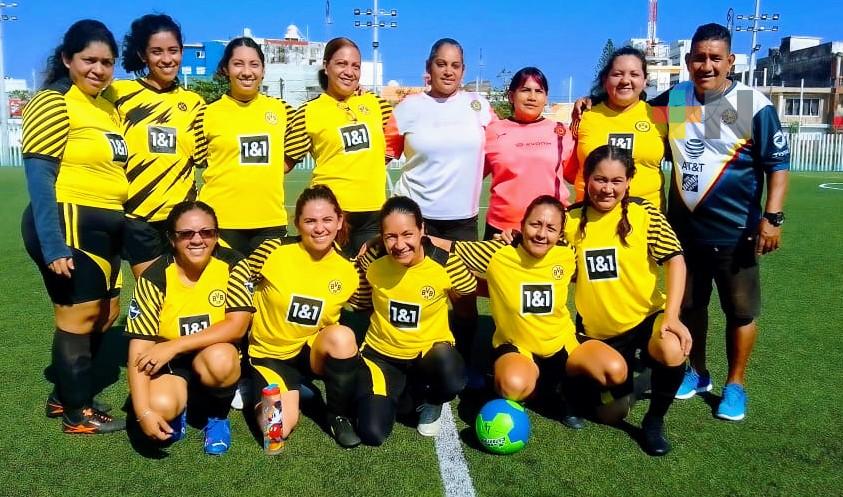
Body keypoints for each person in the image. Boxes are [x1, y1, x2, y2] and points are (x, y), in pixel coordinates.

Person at [648, 24, 790, 421]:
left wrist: (773, 218)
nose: (706, 65)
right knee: (690, 306)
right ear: (688, 60)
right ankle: (697, 373)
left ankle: (735, 385)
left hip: (736, 233)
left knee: (740, 312)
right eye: (698, 57)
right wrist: (587, 103)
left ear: (730, 61)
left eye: (715, 58)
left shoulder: (753, 104)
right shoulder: (675, 98)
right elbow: (631, 109)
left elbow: (777, 165)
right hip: (683, 234)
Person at [21, 19, 128, 434]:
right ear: (67, 59)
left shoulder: (105, 106)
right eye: (89, 60)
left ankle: (64, 392)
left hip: (106, 225)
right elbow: (40, 176)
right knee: (77, 316)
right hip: (69, 221)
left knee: (107, 311)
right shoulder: (53, 101)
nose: (98, 69)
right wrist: (54, 246)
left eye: (107, 62)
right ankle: (76, 412)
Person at [451, 196, 627, 429]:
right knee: (512, 384)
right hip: (519, 347)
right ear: (522, 225)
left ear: (560, 233)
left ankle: (559, 389)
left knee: (616, 371)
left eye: (551, 228)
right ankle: (548, 392)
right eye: (535, 224)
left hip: (563, 343)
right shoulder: (499, 252)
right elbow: (450, 250)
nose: (542, 234)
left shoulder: (568, 254)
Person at [565, 145, 691, 456]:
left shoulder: (644, 213)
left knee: (671, 347)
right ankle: (639, 382)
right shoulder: (569, 221)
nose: (607, 189)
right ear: (586, 179)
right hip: (599, 331)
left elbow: (675, 260)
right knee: (609, 414)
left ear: (629, 181)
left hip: (646, 318)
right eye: (599, 180)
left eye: (616, 181)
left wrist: (672, 316)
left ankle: (654, 420)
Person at [384, 38, 495, 370]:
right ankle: (403, 359)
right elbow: (381, 155)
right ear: (429, 68)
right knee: (410, 291)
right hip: (416, 222)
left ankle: (463, 364)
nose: (448, 70)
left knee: (463, 298)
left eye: (455, 65)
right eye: (441, 64)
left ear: (463, 70)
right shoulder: (407, 109)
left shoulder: (480, 106)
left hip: (461, 221)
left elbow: (506, 145)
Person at [126, 201, 254, 455]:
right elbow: (137, 353)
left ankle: (217, 417)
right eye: (187, 234)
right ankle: (180, 402)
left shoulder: (233, 264)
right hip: (172, 364)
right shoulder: (155, 276)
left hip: (210, 355)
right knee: (159, 406)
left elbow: (237, 326)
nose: (198, 240)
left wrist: (175, 345)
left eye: (207, 232)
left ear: (216, 236)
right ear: (172, 239)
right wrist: (144, 413)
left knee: (222, 359)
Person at [245, 185, 365, 449]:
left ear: (339, 221)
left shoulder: (348, 269)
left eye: (327, 220)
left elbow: (369, 302)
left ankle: (338, 416)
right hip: (272, 353)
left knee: (343, 337)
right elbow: (239, 285)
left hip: (310, 353)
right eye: (310, 220)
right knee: (276, 432)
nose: (319, 228)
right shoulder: (273, 252)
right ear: (297, 223)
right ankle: (262, 387)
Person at [355, 196, 476, 445]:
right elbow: (363, 304)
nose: (400, 244)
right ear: (381, 236)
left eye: (407, 234)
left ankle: (433, 401)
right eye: (390, 236)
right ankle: (407, 395)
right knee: (372, 432)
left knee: (452, 375)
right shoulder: (371, 260)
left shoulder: (446, 263)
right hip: (382, 355)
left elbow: (466, 298)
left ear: (422, 229)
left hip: (428, 355)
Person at [106, 14, 205, 279]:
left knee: (185, 291)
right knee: (153, 291)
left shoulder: (195, 103)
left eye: (173, 51)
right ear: (142, 55)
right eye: (157, 52)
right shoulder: (118, 94)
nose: (167, 59)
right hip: (139, 216)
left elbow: (205, 155)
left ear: (182, 52)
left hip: (183, 217)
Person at [285, 37, 393, 255]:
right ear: (326, 66)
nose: (349, 72)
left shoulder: (377, 105)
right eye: (341, 64)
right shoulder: (308, 112)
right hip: (330, 216)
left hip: (373, 214)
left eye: (356, 66)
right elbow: (283, 164)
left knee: (368, 284)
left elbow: (393, 145)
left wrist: (368, 168)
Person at [194, 37, 293, 256]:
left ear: (263, 70)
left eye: (254, 64)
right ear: (225, 69)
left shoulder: (283, 110)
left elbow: (300, 145)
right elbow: (197, 160)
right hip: (220, 222)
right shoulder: (206, 114)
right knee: (223, 290)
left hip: (270, 223)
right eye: (238, 64)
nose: (247, 72)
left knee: (268, 290)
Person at [567, 47, 668, 209]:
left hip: (647, 223)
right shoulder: (584, 114)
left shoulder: (663, 114)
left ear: (645, 80)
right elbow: (567, 169)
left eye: (634, 74)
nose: (625, 80)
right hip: (590, 221)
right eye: (617, 74)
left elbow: (706, 110)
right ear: (605, 79)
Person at [483, 68, 575, 240]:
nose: (532, 97)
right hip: (501, 230)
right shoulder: (493, 131)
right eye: (525, 90)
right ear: (511, 96)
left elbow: (575, 175)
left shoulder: (561, 132)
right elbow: (472, 176)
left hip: (548, 229)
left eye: (539, 91)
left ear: (546, 97)